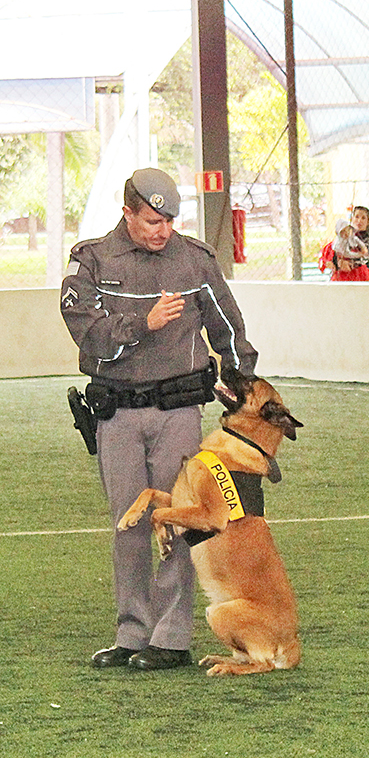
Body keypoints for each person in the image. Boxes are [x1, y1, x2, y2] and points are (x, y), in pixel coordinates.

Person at [60, 168, 258, 671]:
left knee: (176, 520)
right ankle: (131, 633)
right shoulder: (92, 260)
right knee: (128, 524)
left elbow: (228, 328)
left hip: (178, 414)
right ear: (127, 212)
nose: (161, 230)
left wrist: (241, 383)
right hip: (118, 413)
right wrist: (141, 325)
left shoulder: (195, 261)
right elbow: (86, 330)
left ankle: (171, 639)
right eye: (151, 220)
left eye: (169, 219)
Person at [351, 206, 369, 277]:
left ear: (368, 222)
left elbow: (363, 258)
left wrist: (346, 262)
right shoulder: (345, 239)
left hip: (363, 277)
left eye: (363, 218)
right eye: (357, 217)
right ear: (352, 219)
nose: (359, 221)